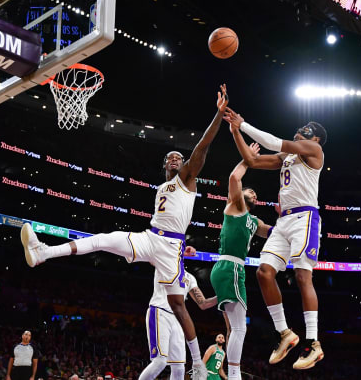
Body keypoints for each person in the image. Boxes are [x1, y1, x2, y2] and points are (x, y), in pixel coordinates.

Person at [20, 85, 230, 380]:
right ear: (163, 166)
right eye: (169, 157)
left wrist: (218, 116)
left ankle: (197, 363)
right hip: (151, 237)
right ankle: (44, 252)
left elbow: (202, 149)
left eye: (178, 157)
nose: (174, 159)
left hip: (170, 247)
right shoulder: (162, 188)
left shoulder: (187, 180)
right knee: (106, 239)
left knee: (179, 306)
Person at [224, 109, 326, 370]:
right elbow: (251, 160)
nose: (301, 129)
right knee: (264, 272)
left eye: (307, 129)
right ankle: (285, 333)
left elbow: (272, 141)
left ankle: (313, 343)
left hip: (305, 217)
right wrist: (236, 132)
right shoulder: (288, 157)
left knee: (303, 276)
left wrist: (243, 123)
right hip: (284, 221)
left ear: (315, 139)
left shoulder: (314, 152)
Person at [209, 136, 272, 380]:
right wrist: (249, 159)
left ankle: (234, 374)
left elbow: (271, 232)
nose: (253, 193)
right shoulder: (235, 206)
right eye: (250, 190)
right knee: (238, 328)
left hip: (233, 270)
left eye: (255, 194)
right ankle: (234, 375)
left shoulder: (254, 221)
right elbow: (234, 178)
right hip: (229, 267)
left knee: (238, 328)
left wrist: (288, 219)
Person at [139, 271, 217, 380]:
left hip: (178, 319)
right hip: (160, 311)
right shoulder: (163, 261)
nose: (193, 252)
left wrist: (223, 295)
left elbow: (203, 303)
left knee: (179, 368)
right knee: (160, 362)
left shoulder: (190, 277)